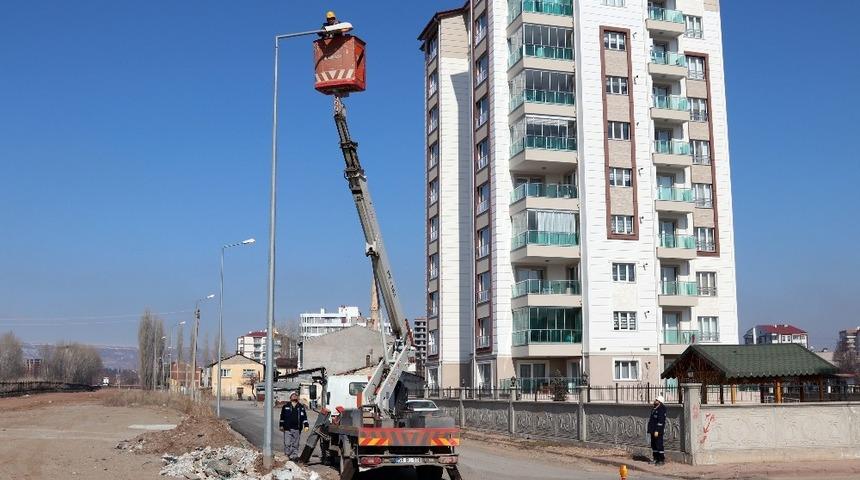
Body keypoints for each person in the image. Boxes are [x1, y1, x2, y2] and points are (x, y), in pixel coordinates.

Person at [279, 392, 309, 460]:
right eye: (293, 395)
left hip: (297, 428)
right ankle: (287, 455)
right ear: (290, 397)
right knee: (287, 443)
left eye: (296, 395)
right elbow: (282, 417)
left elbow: (304, 417)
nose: (295, 396)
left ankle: (294, 456)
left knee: (295, 444)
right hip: (287, 428)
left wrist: (306, 425)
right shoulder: (286, 406)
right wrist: (281, 425)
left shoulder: (301, 407)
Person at [647, 394, 667, 465]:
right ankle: (655, 459)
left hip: (658, 431)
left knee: (659, 445)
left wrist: (657, 430)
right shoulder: (655, 408)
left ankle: (661, 460)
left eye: (656, 400)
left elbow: (661, 421)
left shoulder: (661, 409)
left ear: (659, 401)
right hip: (653, 430)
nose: (655, 401)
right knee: (654, 445)